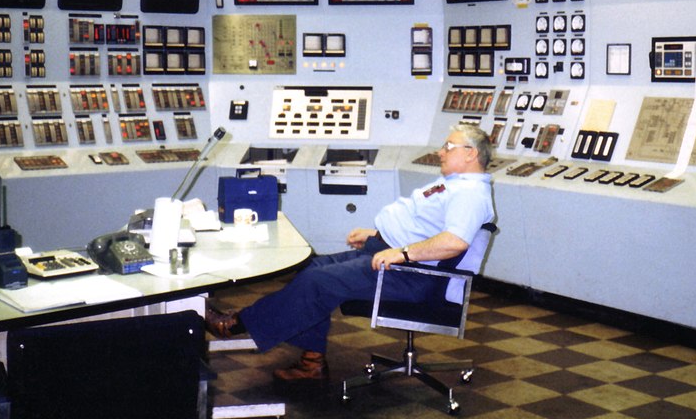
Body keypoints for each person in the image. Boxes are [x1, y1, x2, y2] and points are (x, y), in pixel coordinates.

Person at [204, 123, 495, 381]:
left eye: (448, 147)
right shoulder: (456, 184)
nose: (440, 152)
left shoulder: (470, 194)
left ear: (470, 153)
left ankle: (236, 324)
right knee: (310, 267)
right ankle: (312, 361)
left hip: (411, 275)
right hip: (390, 253)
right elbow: (424, 227)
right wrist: (377, 236)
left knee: (317, 283)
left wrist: (402, 253)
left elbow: (455, 242)